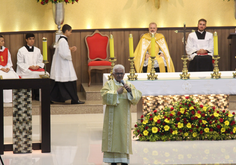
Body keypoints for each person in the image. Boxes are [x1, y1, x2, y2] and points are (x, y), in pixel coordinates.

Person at [101, 64, 142, 165]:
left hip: (124, 118)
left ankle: (123, 160)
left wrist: (130, 91)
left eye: (121, 73)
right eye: (117, 73)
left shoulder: (128, 84)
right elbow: (104, 96)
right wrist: (116, 92)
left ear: (124, 74)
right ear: (113, 74)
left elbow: (136, 98)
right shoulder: (109, 84)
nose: (119, 75)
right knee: (113, 137)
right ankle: (112, 161)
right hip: (112, 118)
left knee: (123, 137)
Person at [50, 24, 85, 104]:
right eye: (70, 32)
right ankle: (75, 100)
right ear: (66, 31)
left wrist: (69, 49)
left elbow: (62, 50)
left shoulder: (62, 40)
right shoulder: (62, 40)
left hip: (62, 65)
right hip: (64, 66)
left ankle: (74, 99)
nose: (71, 33)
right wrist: (69, 51)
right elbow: (64, 54)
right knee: (70, 83)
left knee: (61, 83)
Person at [0, 35, 19, 102]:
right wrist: (2, 68)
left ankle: (13, 98)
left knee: (14, 76)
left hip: (6, 68)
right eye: (2, 41)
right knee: (3, 77)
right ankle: (5, 99)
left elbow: (9, 61)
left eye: (3, 41)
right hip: (0, 69)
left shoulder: (6, 50)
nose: (3, 42)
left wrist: (8, 68)